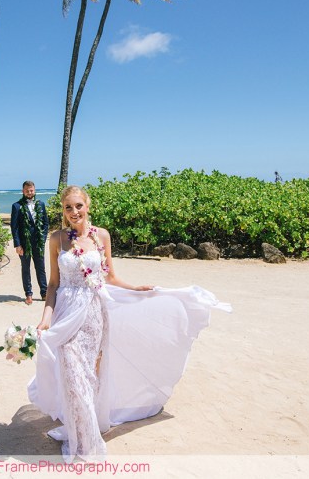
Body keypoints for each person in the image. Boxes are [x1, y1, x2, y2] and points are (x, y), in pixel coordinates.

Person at [28, 185, 231, 462]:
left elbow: (110, 277)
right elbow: (53, 285)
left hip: (93, 313)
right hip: (66, 312)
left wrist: (136, 288)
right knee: (72, 376)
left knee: (88, 376)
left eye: (79, 206)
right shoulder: (56, 240)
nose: (74, 212)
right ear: (62, 210)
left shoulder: (102, 236)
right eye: (68, 207)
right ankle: (84, 442)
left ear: (88, 206)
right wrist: (45, 320)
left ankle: (84, 433)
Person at [11, 180, 50, 305]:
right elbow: (14, 227)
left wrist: (42, 239)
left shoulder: (41, 204)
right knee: (26, 268)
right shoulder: (17, 206)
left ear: (35, 190)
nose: (29, 192)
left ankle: (44, 292)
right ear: (23, 191)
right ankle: (28, 294)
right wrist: (17, 244)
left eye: (31, 190)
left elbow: (45, 223)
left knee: (41, 268)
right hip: (24, 243)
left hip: (38, 243)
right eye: (27, 190)